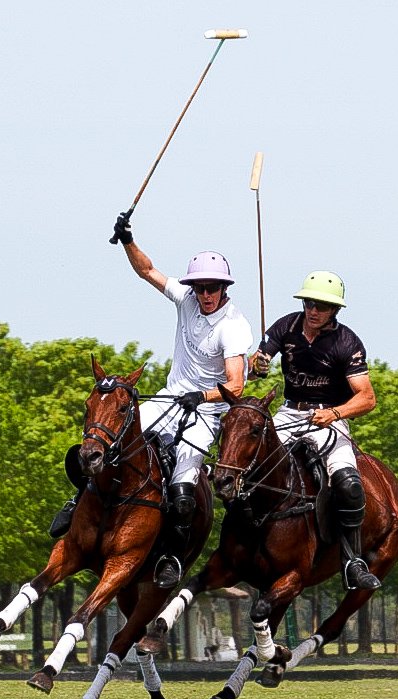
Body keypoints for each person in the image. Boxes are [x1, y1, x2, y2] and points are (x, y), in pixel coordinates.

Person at [50, 212, 253, 589]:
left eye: (212, 288)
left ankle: (172, 556)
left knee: (182, 489)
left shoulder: (234, 326)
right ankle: (77, 503)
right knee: (109, 443)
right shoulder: (186, 299)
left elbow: (236, 385)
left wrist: (202, 395)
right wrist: (127, 240)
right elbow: (148, 271)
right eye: (200, 287)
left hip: (206, 413)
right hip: (168, 399)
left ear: (224, 288)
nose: (205, 295)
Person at [248, 270, 382, 590]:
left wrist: (335, 413)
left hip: (330, 419)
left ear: (334, 310)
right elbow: (256, 367)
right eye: (308, 303)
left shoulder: (346, 342)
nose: (312, 310)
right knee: (249, 466)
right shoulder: (286, 326)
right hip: (289, 414)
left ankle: (351, 561)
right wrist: (257, 365)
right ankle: (242, 545)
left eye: (321, 306)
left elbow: (367, 398)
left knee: (348, 484)